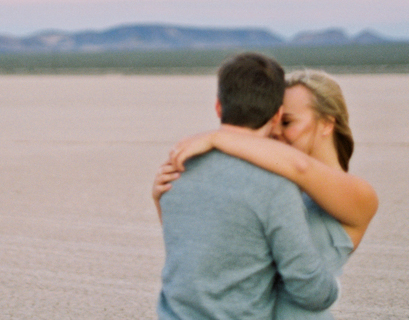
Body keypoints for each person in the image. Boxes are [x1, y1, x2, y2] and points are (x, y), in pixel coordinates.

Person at [154, 68, 379, 320]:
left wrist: (219, 137)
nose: (275, 131)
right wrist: (163, 198)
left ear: (326, 123)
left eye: (287, 122)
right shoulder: (272, 187)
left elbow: (301, 168)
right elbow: (200, 251)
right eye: (274, 120)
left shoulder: (360, 195)